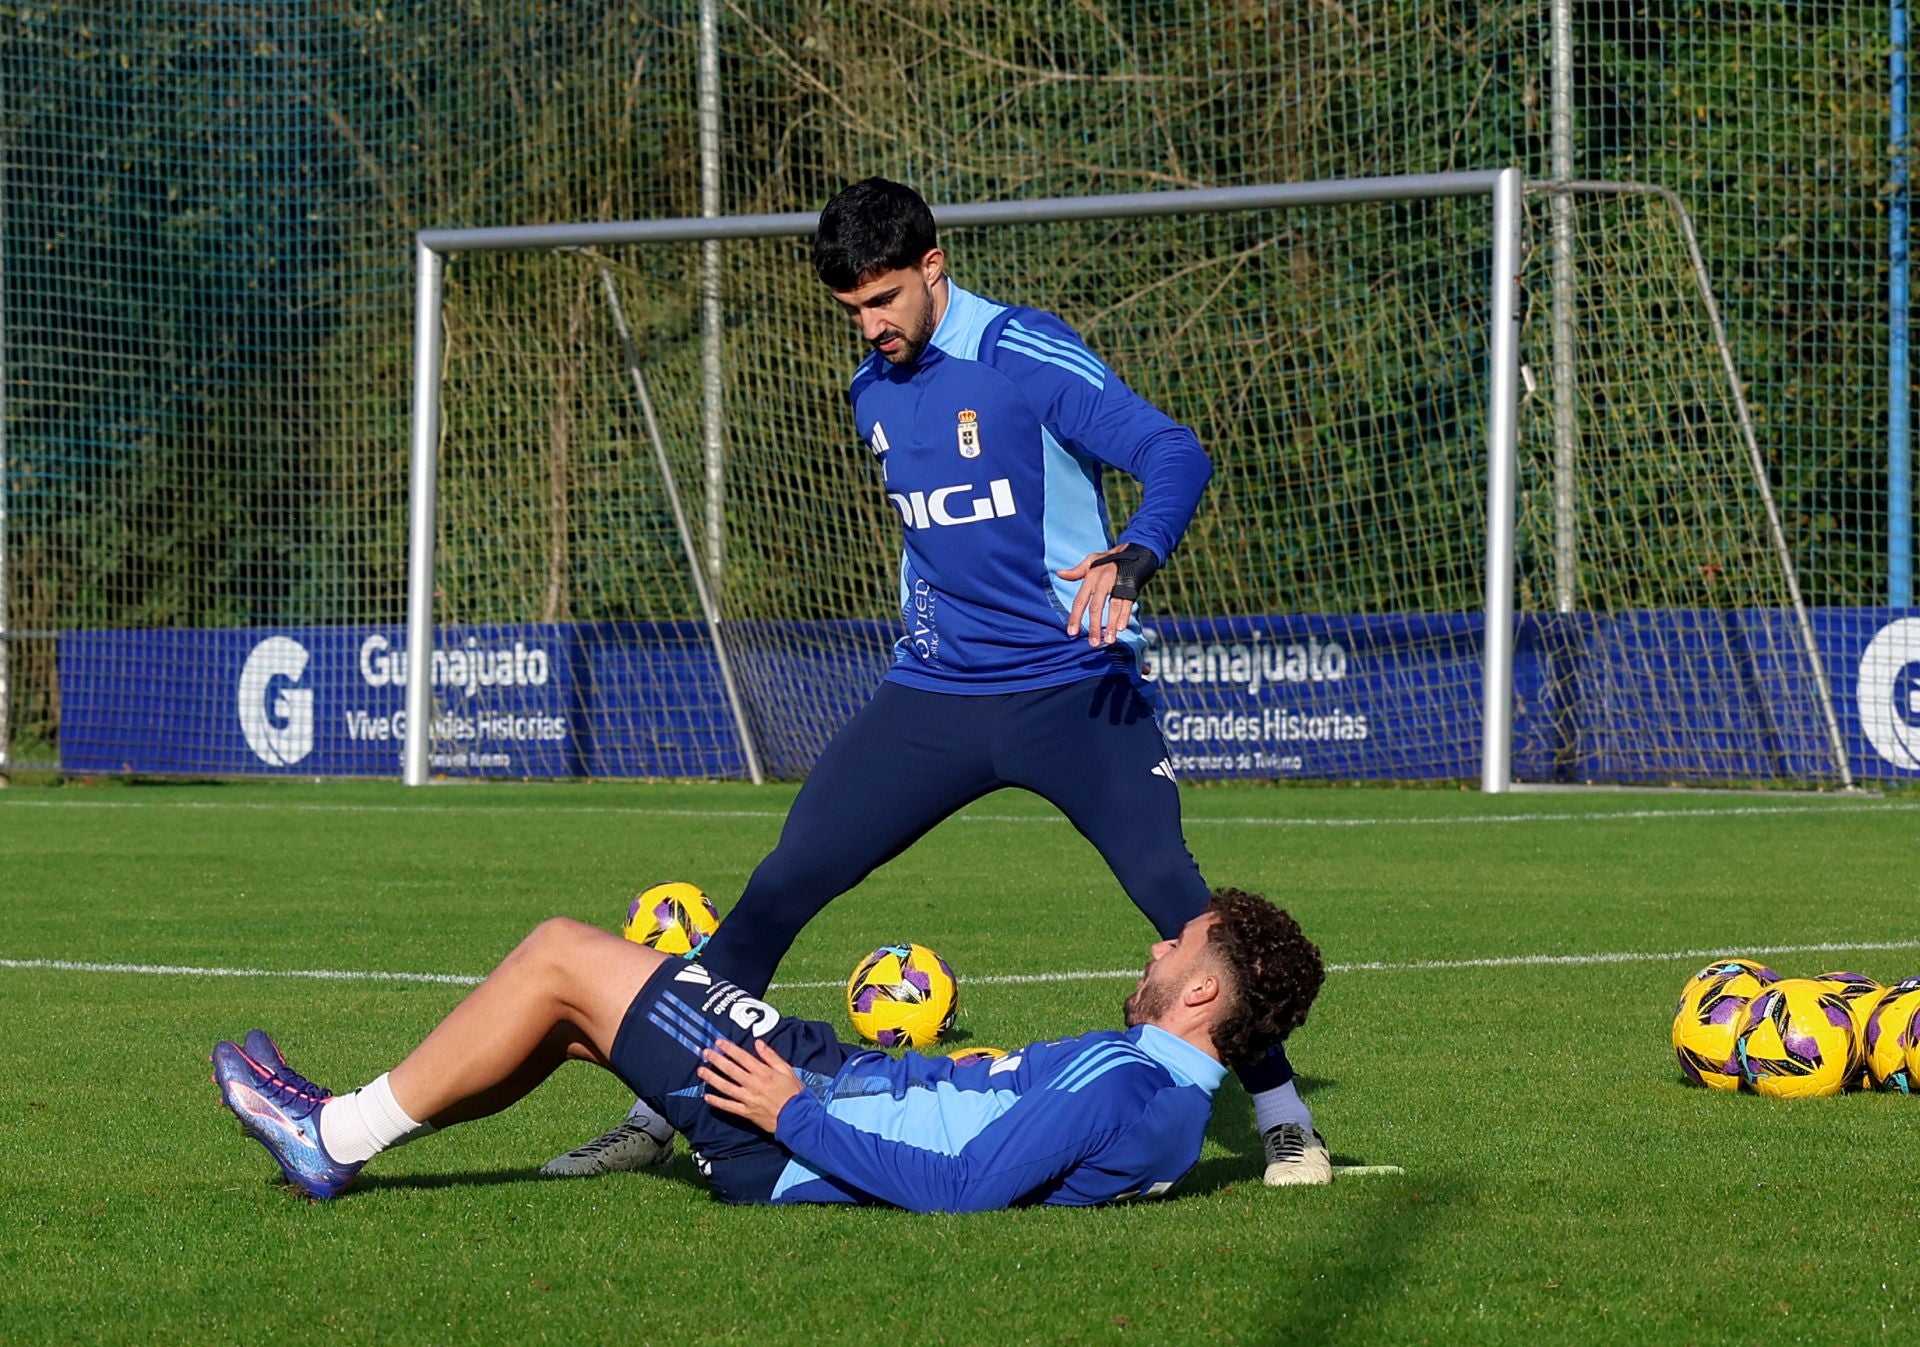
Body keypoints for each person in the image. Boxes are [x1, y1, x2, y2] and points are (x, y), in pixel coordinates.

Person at [546, 177, 1330, 1187]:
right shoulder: (870, 391)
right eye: (852, 310)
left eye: (884, 300)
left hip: (1071, 691)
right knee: (779, 888)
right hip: (935, 697)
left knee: (1176, 901)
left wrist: (1135, 553)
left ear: (933, 266)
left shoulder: (1021, 353)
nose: (871, 326)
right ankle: (661, 1108)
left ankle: (1283, 1117)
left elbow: (1171, 450)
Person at [211, 888, 1323, 1209]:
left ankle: (332, 1133)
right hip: (838, 1089)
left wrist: (789, 1107)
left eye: (1174, 943)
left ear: (1203, 989)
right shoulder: (1172, 1101)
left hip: (797, 1125)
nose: (1155, 943)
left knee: (559, 954)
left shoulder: (1132, 1080)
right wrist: (972, 1071)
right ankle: (354, 1129)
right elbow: (1014, 1114)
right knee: (569, 1018)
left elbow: (964, 1188)